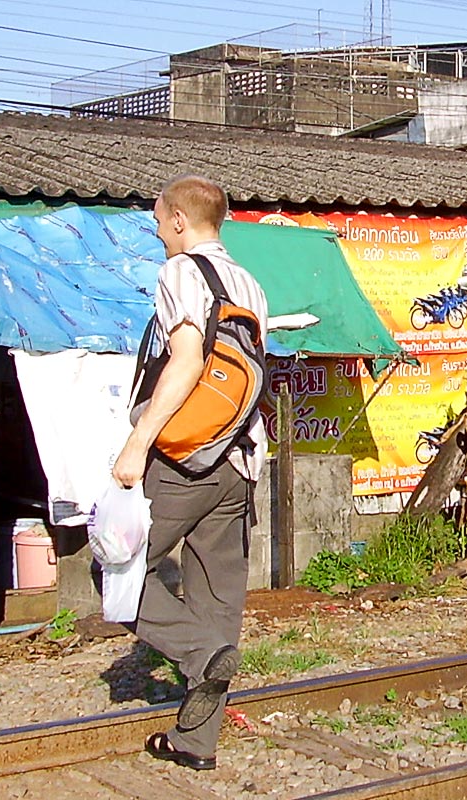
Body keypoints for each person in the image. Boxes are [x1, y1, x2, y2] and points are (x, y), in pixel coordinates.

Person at [112, 174, 268, 771]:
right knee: (217, 601)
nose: (156, 231)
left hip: (183, 458)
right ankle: (195, 742)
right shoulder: (249, 282)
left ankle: (200, 653)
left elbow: (183, 364)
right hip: (239, 460)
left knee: (122, 573)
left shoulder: (181, 271)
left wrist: (137, 442)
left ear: (180, 219)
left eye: (158, 221)